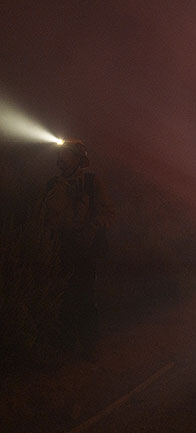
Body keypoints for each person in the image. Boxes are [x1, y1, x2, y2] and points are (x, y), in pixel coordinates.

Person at [42, 139, 115, 360]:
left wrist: (93, 228)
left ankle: (89, 348)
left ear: (78, 160)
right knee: (62, 298)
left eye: (66, 156)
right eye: (60, 156)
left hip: (84, 248)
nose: (61, 161)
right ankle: (64, 347)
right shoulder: (53, 185)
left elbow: (108, 213)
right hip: (59, 246)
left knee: (85, 297)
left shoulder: (92, 184)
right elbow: (44, 215)